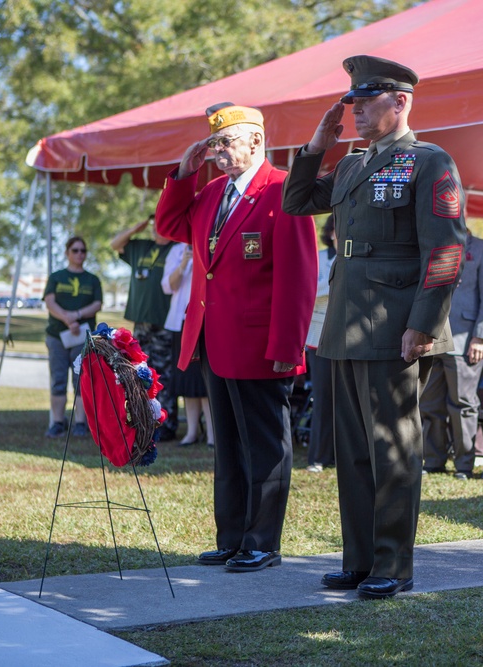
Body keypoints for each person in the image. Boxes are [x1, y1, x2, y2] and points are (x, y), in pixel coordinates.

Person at [283, 55, 466, 600]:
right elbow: (296, 202)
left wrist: (423, 325)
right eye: (353, 103)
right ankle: (360, 560)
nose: (356, 112)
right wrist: (319, 144)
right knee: (354, 450)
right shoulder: (351, 165)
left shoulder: (429, 162)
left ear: (401, 101)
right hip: (345, 325)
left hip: (395, 327)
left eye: (367, 102)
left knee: (393, 449)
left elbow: (447, 250)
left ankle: (393, 565)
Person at [155, 102, 318, 572]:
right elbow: (169, 227)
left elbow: (298, 278)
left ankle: (263, 541)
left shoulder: (284, 189)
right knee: (226, 445)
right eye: (214, 143)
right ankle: (232, 537)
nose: (218, 151)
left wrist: (287, 348)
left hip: (260, 345)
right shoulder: (209, 193)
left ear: (256, 141)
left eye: (227, 141)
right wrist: (183, 175)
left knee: (265, 447)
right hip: (212, 340)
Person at [420, 229, 483, 479]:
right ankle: (433, 460)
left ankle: (464, 463)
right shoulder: (430, 242)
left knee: (463, 403)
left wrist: (482, 337)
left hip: (466, 340)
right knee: (429, 403)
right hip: (430, 337)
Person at [110, 215, 178, 442]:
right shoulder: (140, 246)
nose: (158, 228)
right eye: (155, 224)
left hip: (164, 321)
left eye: (163, 223)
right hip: (141, 321)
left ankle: (167, 422)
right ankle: (144, 419)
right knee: (141, 372)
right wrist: (137, 226)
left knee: (164, 373)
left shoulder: (176, 249)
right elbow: (115, 244)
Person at [42, 236, 103, 438]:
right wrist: (67, 319)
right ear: (67, 253)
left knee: (81, 380)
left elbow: (97, 304)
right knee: (58, 379)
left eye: (83, 251)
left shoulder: (92, 279)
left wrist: (77, 316)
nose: (79, 254)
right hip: (57, 336)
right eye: (75, 250)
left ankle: (80, 423)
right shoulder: (56, 277)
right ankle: (57, 422)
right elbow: (50, 302)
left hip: (82, 337)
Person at [160, 242, 213, 447]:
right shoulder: (176, 250)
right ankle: (191, 432)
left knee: (204, 380)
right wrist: (184, 262)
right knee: (187, 381)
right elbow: (168, 286)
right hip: (180, 322)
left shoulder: (211, 242)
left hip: (206, 319)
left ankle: (212, 434)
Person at [305, 216, 337, 473]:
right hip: (319, 338)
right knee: (323, 398)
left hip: (351, 339)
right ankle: (318, 456)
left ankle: (342, 456)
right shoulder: (318, 257)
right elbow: (308, 291)